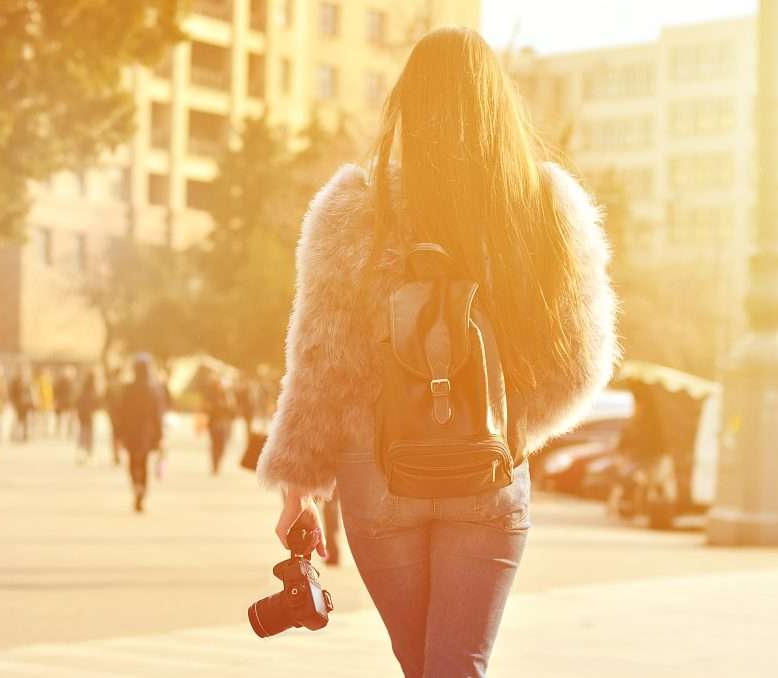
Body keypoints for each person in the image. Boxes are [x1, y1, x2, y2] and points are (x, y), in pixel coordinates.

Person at [256, 28, 618, 678]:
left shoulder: (354, 208)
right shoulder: (542, 204)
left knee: (422, 666)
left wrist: (299, 483)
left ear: (405, 105)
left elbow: (320, 361)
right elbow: (581, 361)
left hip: (378, 472)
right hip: (490, 471)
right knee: (457, 667)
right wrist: (501, 422)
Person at [114, 355, 164, 513]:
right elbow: (158, 415)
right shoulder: (154, 390)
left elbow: (120, 413)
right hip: (147, 433)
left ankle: (136, 485)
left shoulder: (128, 389)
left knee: (132, 462)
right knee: (143, 463)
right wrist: (160, 435)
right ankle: (141, 490)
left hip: (131, 432)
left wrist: (118, 434)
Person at [203, 376, 234, 475]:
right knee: (214, 445)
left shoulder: (228, 396)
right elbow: (206, 409)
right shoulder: (211, 396)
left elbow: (233, 411)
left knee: (222, 445)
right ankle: (214, 464)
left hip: (225, 424)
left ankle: (218, 463)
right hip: (214, 424)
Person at [75, 368, 101, 464]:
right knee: (88, 434)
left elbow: (78, 399)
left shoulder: (83, 387)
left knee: (83, 433)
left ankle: (82, 454)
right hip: (88, 413)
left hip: (83, 413)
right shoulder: (92, 388)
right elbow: (96, 401)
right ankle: (87, 454)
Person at [8, 365, 36, 442]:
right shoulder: (15, 382)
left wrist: (32, 403)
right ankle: (16, 435)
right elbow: (12, 393)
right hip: (18, 404)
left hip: (27, 404)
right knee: (18, 420)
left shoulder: (29, 381)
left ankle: (24, 435)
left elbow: (32, 393)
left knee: (26, 421)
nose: (23, 373)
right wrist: (13, 403)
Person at [54, 366, 77, 438]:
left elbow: (74, 393)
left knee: (69, 418)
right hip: (64, 402)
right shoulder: (61, 382)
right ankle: (60, 431)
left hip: (70, 403)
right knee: (61, 417)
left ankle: (69, 432)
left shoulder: (72, 382)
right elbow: (56, 392)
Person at [34, 367, 55, 437]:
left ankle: (48, 432)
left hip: (48, 402)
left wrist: (52, 402)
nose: (47, 374)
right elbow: (36, 391)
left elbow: (51, 393)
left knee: (48, 417)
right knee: (41, 418)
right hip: (42, 402)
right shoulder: (39, 381)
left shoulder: (49, 381)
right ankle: (41, 431)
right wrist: (37, 400)